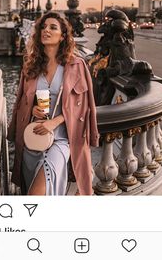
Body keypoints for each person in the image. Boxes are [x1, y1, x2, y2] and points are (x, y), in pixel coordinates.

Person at [7, 12, 99, 195]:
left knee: (37, 193)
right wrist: (33, 109)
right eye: (43, 27)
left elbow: (85, 107)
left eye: (53, 27)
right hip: (33, 138)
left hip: (62, 139)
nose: (46, 30)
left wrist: (54, 122)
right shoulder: (31, 65)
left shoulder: (76, 65)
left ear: (63, 36)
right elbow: (21, 103)